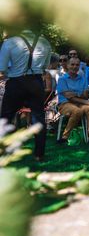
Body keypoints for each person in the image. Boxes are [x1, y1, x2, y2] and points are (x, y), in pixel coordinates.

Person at [0, 29, 52, 160]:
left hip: (16, 82)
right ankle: (39, 155)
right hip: (36, 82)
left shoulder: (10, 42)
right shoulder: (45, 42)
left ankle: (5, 151)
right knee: (38, 118)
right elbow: (45, 66)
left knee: (6, 117)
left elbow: (2, 68)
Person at [56, 57, 89, 146]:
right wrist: (84, 99)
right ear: (67, 66)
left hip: (80, 103)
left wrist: (74, 94)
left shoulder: (82, 78)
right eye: (72, 64)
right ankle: (65, 136)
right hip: (65, 104)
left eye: (77, 65)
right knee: (77, 111)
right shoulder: (62, 79)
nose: (75, 67)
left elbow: (85, 95)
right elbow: (68, 97)